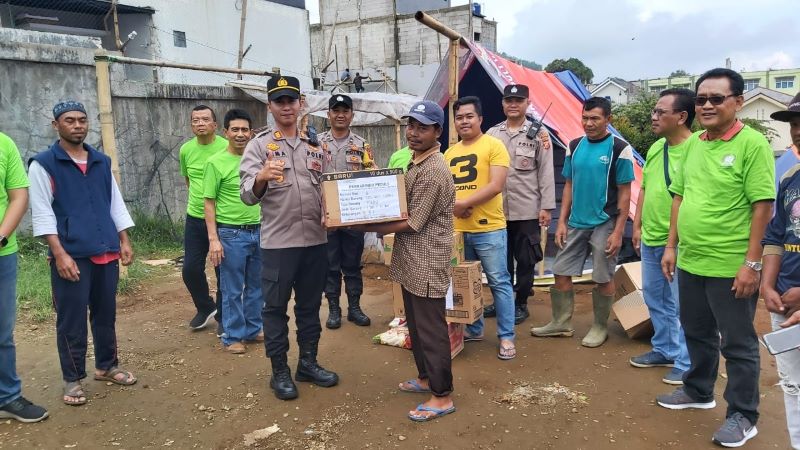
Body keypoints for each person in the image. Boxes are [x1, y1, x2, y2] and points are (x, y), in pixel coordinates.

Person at [657, 68, 775, 448]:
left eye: (716, 98)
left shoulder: (751, 145)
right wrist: (671, 246)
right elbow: (679, 196)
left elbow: (762, 206)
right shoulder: (693, 144)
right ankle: (698, 390)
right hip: (692, 260)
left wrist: (751, 263)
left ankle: (743, 414)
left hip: (730, 264)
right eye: (701, 98)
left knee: (737, 343)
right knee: (696, 332)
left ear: (738, 102)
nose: (706, 105)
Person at [29, 101, 137, 406]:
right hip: (72, 255)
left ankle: (107, 365)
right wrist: (59, 254)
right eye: (69, 121)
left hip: (106, 250)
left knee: (106, 314)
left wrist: (124, 240)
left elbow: (114, 203)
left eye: (81, 120)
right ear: (56, 125)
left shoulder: (101, 161)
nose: (77, 125)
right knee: (71, 319)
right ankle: (73, 378)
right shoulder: (44, 164)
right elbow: (42, 212)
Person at [354, 100, 456, 422]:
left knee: (431, 329)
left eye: (422, 127)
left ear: (437, 131)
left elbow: (412, 222)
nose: (413, 133)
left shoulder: (434, 170)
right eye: (411, 126)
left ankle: (442, 396)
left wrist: (365, 224)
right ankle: (426, 378)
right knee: (415, 324)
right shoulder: (415, 162)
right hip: (413, 258)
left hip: (427, 260)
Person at [240, 76, 338, 401]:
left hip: (315, 241)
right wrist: (260, 179)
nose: (286, 106)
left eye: (291, 100)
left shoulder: (316, 146)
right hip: (279, 246)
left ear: (301, 104)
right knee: (275, 309)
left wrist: (333, 211)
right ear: (270, 106)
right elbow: (247, 197)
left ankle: (307, 363)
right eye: (279, 101)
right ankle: (279, 371)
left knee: (310, 307)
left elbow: (328, 188)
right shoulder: (258, 146)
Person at [532, 96, 634, 348]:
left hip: (605, 222)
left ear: (608, 120)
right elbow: (569, 184)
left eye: (595, 118)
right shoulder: (574, 145)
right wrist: (562, 221)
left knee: (602, 276)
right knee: (561, 270)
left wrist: (619, 231)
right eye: (585, 118)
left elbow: (625, 192)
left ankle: (600, 327)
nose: (588, 123)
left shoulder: (620, 149)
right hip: (577, 221)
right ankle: (561, 322)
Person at [444, 96, 516, 360]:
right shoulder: (449, 153)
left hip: (490, 228)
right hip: (459, 230)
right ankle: (474, 329)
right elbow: (444, 190)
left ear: (480, 119)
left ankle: (507, 336)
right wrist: (456, 207)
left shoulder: (494, 146)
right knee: (466, 283)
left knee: (499, 282)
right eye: (459, 117)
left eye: (469, 116)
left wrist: (462, 204)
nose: (464, 121)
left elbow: (496, 185)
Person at [630, 88, 694, 385]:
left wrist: (673, 240)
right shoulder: (657, 147)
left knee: (683, 303)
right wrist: (637, 223)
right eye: (654, 111)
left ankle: (686, 362)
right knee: (655, 297)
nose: (653, 117)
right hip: (652, 236)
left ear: (681, 117)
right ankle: (665, 348)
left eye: (660, 112)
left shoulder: (697, 149)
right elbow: (645, 188)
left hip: (680, 242)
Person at [486, 84, 555, 325]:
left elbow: (546, 172)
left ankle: (521, 302)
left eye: (518, 100)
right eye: (508, 100)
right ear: (503, 104)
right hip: (496, 210)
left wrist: (546, 207)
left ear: (527, 103)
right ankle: (500, 301)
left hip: (527, 209)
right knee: (499, 261)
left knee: (525, 260)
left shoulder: (539, 134)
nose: (513, 104)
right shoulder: (492, 134)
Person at [203, 109, 263, 354]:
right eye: (235, 130)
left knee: (257, 286)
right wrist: (213, 239)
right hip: (231, 235)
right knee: (232, 289)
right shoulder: (215, 163)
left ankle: (253, 328)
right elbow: (209, 203)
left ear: (251, 132)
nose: (240, 134)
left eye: (245, 130)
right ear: (225, 132)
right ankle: (233, 335)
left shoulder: (257, 160)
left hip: (260, 231)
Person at [760, 91, 800, 449]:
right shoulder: (790, 178)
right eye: (795, 124)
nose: (798, 132)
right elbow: (774, 236)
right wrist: (767, 285)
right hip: (783, 302)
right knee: (793, 385)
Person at [0, 132, 48, 422]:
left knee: (2, 333)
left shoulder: (4, 143)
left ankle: (7, 397)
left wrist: (1, 236)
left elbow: (18, 196)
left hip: (3, 253)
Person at [319, 94, 376, 329]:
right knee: (330, 266)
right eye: (336, 110)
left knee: (352, 265)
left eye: (345, 110)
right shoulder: (316, 143)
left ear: (352, 115)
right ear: (328, 114)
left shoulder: (362, 145)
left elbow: (372, 172)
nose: (340, 115)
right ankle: (334, 309)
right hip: (327, 216)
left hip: (354, 215)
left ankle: (354, 308)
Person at [180, 105, 228, 333]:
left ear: (215, 125)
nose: (200, 123)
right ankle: (206, 306)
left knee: (223, 270)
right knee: (190, 269)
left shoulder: (227, 147)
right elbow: (188, 181)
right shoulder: (186, 150)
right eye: (195, 120)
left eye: (205, 119)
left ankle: (225, 316)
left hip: (223, 219)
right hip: (195, 218)